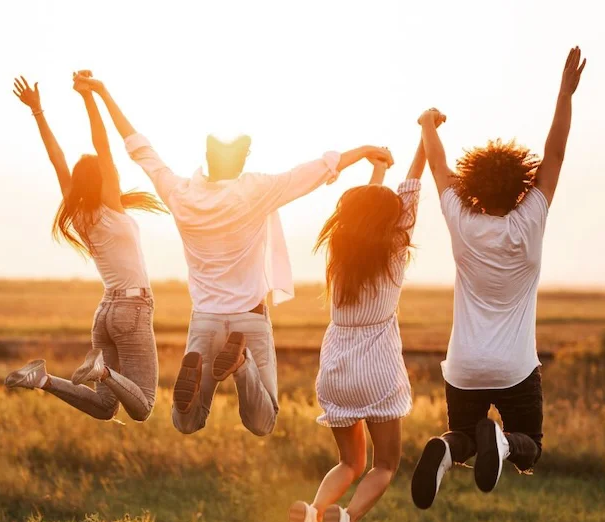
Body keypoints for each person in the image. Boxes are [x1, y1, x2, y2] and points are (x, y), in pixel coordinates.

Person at [73, 72, 394, 437]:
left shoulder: (180, 193)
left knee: (187, 423)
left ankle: (192, 397)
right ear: (242, 162)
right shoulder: (257, 189)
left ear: (207, 159)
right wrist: (365, 152)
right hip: (250, 319)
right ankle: (241, 364)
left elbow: (138, 148)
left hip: (205, 320)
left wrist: (100, 94)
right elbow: (315, 170)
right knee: (263, 421)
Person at [410, 47, 587, 509]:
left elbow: (438, 167)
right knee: (530, 443)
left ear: (473, 185)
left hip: (465, 366)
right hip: (514, 368)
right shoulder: (530, 218)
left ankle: (444, 448)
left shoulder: (462, 222)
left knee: (464, 437)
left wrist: (428, 125)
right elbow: (555, 153)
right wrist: (564, 94)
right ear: (521, 185)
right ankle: (504, 443)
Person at [285, 133, 430, 522]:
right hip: (377, 369)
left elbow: (367, 210)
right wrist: (426, 137)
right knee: (384, 465)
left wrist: (378, 169)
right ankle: (344, 521)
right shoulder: (394, 249)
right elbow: (410, 191)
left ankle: (313, 515)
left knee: (349, 462)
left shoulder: (340, 250)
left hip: (335, 367)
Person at [4, 74, 164, 423]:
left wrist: (38, 111)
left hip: (104, 314)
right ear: (103, 179)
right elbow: (103, 145)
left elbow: (56, 158)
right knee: (143, 408)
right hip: (132, 309)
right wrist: (88, 97)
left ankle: (42, 379)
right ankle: (101, 371)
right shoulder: (111, 204)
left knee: (105, 409)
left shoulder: (77, 214)